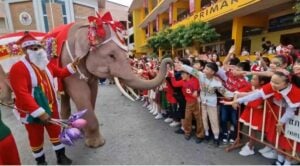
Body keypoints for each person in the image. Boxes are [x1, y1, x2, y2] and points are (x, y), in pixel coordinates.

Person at [9, 32, 79, 165]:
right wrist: (39, 112)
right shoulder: (18, 68)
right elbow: (22, 93)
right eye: (33, 48)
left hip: (51, 106)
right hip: (32, 111)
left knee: (56, 131)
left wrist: (73, 66)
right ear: (25, 50)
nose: (37, 51)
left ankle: (61, 156)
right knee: (36, 136)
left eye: (38, 47)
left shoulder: (45, 63)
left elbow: (60, 73)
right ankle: (41, 161)